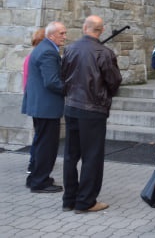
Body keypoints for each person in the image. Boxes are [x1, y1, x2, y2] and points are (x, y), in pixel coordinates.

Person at [61, 15, 122, 213]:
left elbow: (63, 76)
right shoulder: (104, 53)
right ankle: (85, 201)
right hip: (93, 108)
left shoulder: (70, 49)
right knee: (92, 155)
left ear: (84, 27)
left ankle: (69, 199)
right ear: (101, 30)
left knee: (71, 154)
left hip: (72, 106)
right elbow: (114, 81)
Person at [22, 22, 67, 193]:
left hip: (41, 105)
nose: (64, 36)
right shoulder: (48, 51)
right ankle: (40, 182)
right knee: (46, 145)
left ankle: (35, 177)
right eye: (61, 33)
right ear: (51, 35)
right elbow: (52, 82)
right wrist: (71, 89)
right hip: (46, 107)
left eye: (65, 33)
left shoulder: (43, 48)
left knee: (41, 142)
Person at [22, 27, 47, 174]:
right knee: (40, 133)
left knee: (38, 132)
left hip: (32, 99)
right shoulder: (37, 57)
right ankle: (33, 162)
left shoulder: (30, 57)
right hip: (38, 101)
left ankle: (36, 160)